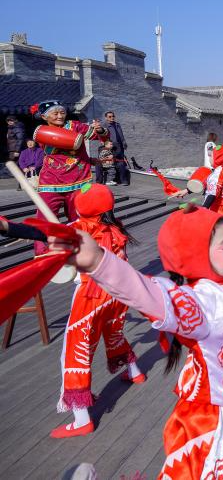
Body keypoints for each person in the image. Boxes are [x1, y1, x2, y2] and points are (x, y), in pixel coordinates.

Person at [62, 145, 223, 474]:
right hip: (207, 419)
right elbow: (146, 293)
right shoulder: (202, 301)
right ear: (199, 258)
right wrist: (98, 262)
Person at [51, 183, 144, 438]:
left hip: (90, 297)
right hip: (116, 293)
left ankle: (81, 418)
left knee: (74, 352)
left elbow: (54, 243)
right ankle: (134, 373)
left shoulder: (78, 229)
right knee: (113, 332)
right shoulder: (116, 227)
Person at [32, 100, 108, 254]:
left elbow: (99, 136)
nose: (60, 116)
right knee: (44, 218)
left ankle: (81, 250)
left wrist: (99, 130)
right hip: (51, 181)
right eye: (55, 113)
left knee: (79, 218)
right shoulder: (42, 132)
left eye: (62, 112)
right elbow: (53, 146)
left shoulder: (74, 126)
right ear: (44, 117)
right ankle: (43, 254)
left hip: (79, 178)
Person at [102, 110, 130, 186]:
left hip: (120, 146)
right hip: (111, 147)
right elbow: (102, 137)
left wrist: (124, 143)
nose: (112, 118)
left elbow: (121, 135)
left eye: (113, 116)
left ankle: (123, 180)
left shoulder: (117, 124)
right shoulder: (104, 126)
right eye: (110, 117)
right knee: (112, 163)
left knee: (121, 163)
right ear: (106, 118)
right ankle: (112, 180)